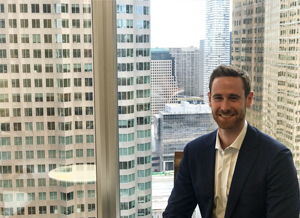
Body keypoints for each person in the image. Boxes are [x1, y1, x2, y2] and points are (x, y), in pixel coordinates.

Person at [163, 65, 300, 218]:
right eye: (218, 98)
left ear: (249, 99)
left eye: (233, 98)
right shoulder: (194, 152)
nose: (225, 106)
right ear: (209, 99)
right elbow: (175, 213)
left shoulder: (277, 158)